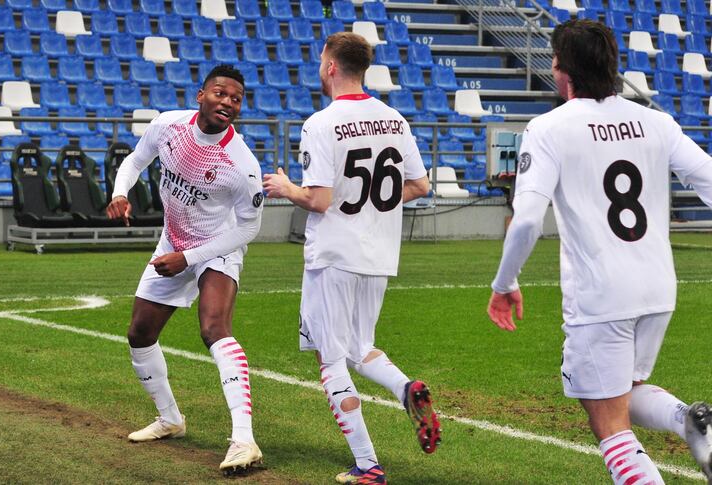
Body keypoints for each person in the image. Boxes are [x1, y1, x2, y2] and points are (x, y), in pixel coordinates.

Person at [487, 19, 712, 485]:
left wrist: (505, 283)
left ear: (563, 70)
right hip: (658, 287)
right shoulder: (657, 121)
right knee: (624, 393)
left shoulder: (549, 128)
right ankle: (690, 421)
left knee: (608, 422)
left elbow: (528, 219)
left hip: (601, 293)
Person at [262, 32, 440, 485]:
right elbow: (420, 187)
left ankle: (368, 465)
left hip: (335, 254)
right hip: (378, 254)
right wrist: (371, 202)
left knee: (332, 360)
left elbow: (319, 201)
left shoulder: (321, 123)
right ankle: (406, 389)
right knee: (360, 346)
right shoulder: (394, 119)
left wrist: (286, 189)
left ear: (331, 66)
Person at [106, 65, 265, 475]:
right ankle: (170, 419)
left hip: (217, 249)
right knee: (139, 333)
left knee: (214, 328)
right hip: (173, 242)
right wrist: (120, 193)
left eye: (236, 98)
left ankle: (244, 440)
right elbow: (135, 161)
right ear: (200, 95)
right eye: (220, 94)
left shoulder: (241, 162)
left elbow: (249, 228)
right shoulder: (167, 126)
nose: (228, 102)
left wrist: (190, 259)